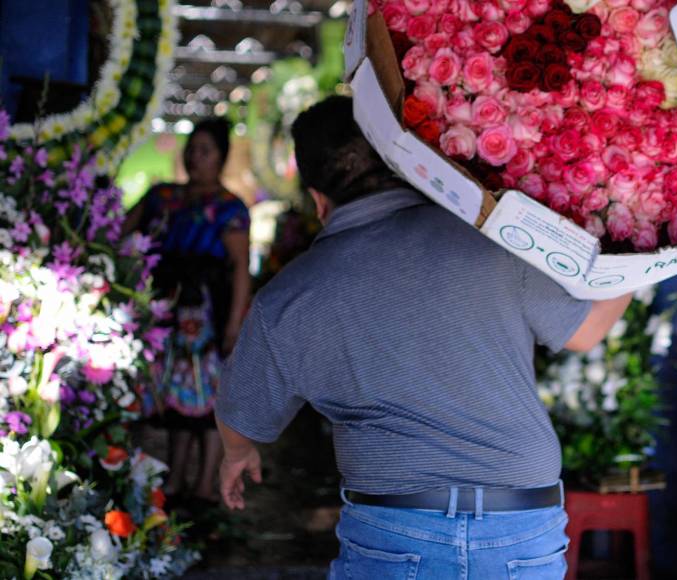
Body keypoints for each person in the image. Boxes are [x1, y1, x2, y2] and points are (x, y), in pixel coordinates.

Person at [214, 95, 631, 579]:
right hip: (520, 527)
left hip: (393, 532)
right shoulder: (491, 241)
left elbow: (240, 416)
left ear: (318, 200)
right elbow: (587, 330)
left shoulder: (290, 296)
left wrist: (237, 454)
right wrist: (643, 261)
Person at [125, 118, 251, 505]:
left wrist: (234, 325)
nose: (195, 157)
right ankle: (176, 477)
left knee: (210, 398)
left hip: (209, 313)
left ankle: (205, 484)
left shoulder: (229, 207)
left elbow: (241, 269)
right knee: (176, 394)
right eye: (191, 148)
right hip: (167, 312)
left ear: (221, 158)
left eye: (205, 150)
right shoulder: (162, 196)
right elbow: (121, 231)